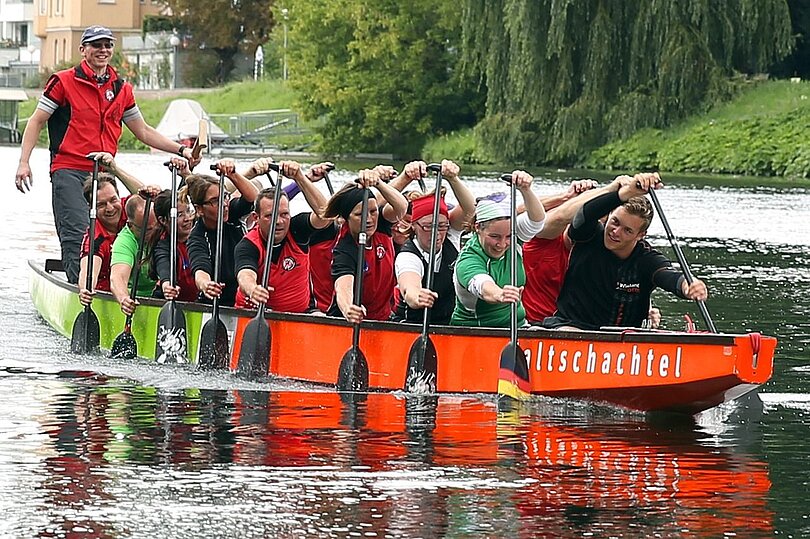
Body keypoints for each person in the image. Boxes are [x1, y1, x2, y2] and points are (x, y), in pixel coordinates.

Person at [14, 25, 201, 284]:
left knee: (118, 225)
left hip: (105, 171)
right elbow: (36, 121)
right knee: (78, 232)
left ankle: (115, 281)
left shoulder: (121, 89)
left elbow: (144, 131)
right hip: (69, 169)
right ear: (83, 50)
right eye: (96, 45)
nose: (103, 50)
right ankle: (77, 285)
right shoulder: (63, 81)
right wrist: (24, 162)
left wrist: (182, 150)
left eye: (107, 45)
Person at [543, 173, 708, 330]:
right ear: (609, 216)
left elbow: (670, 277)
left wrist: (688, 286)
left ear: (640, 235)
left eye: (627, 230)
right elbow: (584, 214)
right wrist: (625, 193)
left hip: (623, 341)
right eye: (615, 222)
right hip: (570, 326)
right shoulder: (589, 235)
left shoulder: (647, 258)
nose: (615, 232)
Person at [234, 161, 333, 312]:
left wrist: (300, 177)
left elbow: (325, 216)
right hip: (254, 314)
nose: (279, 222)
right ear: (256, 217)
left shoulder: (296, 229)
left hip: (300, 314)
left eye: (284, 214)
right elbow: (245, 275)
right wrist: (253, 288)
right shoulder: (248, 245)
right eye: (270, 216)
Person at [451, 170, 546, 328]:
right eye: (494, 236)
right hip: (477, 332)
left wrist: (526, 190)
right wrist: (499, 294)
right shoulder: (468, 259)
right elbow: (482, 286)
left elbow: (537, 221)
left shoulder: (515, 235)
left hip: (518, 326)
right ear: (478, 228)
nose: (502, 244)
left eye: (508, 236)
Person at [393, 160, 476, 325]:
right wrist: (417, 297)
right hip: (412, 326)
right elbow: (409, 286)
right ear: (414, 226)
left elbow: (471, 210)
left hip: (448, 326)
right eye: (428, 226)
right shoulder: (408, 256)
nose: (436, 233)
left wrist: (453, 179)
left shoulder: (450, 235)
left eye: (441, 226)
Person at [77, 153, 163, 306]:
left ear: (119, 196)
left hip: (137, 286)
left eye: (113, 200)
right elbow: (88, 270)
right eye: (101, 205)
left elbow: (148, 197)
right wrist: (84, 289)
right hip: (108, 294)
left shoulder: (131, 210)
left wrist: (115, 170)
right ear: (92, 208)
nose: (110, 208)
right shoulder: (95, 237)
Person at [324, 167, 408, 323]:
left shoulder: (381, 224)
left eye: (373, 211)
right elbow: (343, 286)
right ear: (346, 219)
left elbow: (401, 207)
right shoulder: (345, 248)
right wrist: (348, 307)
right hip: (349, 320)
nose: (368, 219)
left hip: (382, 319)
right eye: (359, 214)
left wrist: (378, 183)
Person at [185, 159, 260, 307]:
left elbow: (255, 199)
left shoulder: (232, 212)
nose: (224, 204)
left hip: (244, 296)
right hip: (216, 302)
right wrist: (205, 284)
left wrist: (233, 174)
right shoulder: (197, 236)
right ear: (199, 209)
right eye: (215, 201)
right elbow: (200, 269)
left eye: (225, 196)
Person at [148, 182, 198, 303]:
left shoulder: (200, 235)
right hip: (171, 302)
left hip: (199, 300)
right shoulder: (163, 246)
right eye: (180, 215)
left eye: (188, 211)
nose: (187, 218)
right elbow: (163, 264)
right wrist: (167, 285)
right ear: (163, 220)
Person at [110, 194, 159, 316]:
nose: (153, 232)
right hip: (137, 300)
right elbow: (117, 277)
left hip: (163, 296)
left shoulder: (162, 227)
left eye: (155, 226)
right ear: (131, 225)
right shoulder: (124, 241)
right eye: (147, 230)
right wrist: (123, 298)